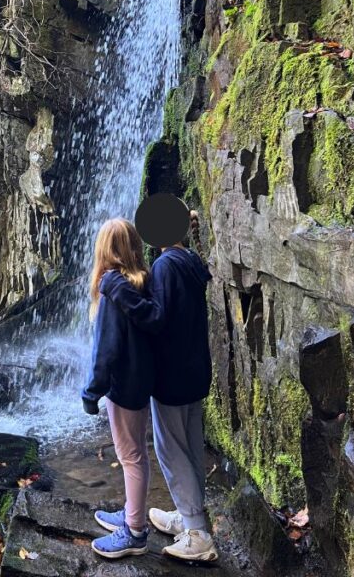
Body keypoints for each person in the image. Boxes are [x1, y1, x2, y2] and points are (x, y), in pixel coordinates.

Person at [135, 203, 219, 562]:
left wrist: (123, 296)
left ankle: (197, 532)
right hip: (195, 369)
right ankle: (189, 517)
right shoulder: (191, 261)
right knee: (190, 445)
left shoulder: (165, 266)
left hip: (172, 373)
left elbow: (157, 320)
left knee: (170, 449)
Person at [80, 218, 160, 559]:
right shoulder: (142, 284)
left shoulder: (112, 292)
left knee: (131, 457)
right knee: (136, 454)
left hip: (123, 386)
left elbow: (106, 350)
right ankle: (130, 513)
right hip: (141, 381)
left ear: (104, 250)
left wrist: (91, 392)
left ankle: (135, 532)